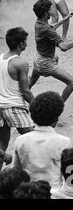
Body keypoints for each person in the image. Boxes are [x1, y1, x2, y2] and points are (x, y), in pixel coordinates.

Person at [29, 0, 73, 102]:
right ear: (45, 13)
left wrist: (65, 19)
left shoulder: (39, 23)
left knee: (31, 82)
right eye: (50, 9)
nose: (53, 12)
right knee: (72, 83)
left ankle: (20, 97)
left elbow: (51, 27)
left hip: (38, 58)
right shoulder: (48, 30)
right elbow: (63, 47)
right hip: (45, 63)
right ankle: (58, 106)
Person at [11, 91, 72, 188]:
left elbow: (15, 173)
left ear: (33, 117)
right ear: (56, 119)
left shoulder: (20, 140)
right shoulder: (64, 142)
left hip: (28, 193)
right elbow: (72, 180)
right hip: (53, 194)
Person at [0, 28, 35, 171]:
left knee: (2, 145)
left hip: (0, 107)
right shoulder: (20, 63)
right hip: (14, 107)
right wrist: (38, 106)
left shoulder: (1, 58)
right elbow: (26, 92)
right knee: (35, 139)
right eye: (25, 41)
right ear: (21, 44)